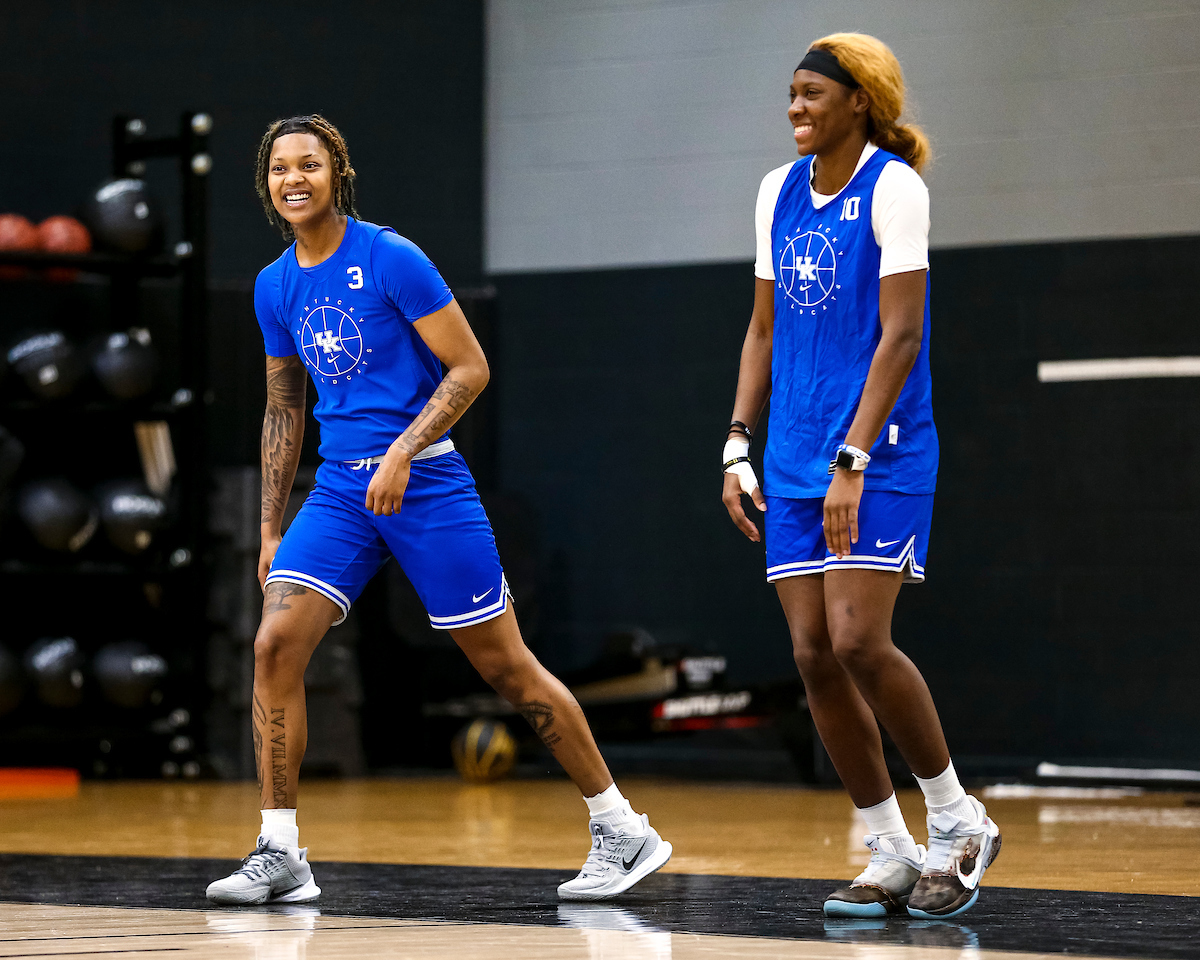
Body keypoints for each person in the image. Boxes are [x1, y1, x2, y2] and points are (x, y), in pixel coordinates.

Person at [205, 114, 671, 906]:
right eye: (280, 168)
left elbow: (469, 368)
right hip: (341, 492)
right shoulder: (273, 284)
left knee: (504, 666)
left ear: (336, 173)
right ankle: (280, 850)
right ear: (266, 184)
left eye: (309, 165)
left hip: (424, 482)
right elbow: (284, 405)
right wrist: (269, 525)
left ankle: (622, 828)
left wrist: (400, 451)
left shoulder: (391, 257)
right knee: (275, 643)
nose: (294, 179)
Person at [721, 35, 1000, 920]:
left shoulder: (894, 188)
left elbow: (902, 335)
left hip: (877, 454)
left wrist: (853, 458)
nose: (796, 108)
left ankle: (960, 820)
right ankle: (887, 846)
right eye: (790, 95)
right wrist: (737, 441)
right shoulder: (775, 192)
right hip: (793, 457)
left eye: (811, 95)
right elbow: (762, 332)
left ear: (858, 101)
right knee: (812, 655)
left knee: (855, 640)